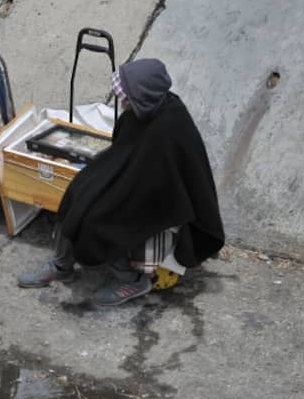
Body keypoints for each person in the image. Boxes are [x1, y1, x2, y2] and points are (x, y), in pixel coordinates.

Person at [17, 58, 225, 306]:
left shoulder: (169, 125)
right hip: (133, 181)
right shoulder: (144, 110)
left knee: (100, 220)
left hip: (162, 200)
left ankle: (132, 280)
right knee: (77, 194)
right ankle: (61, 265)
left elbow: (161, 180)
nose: (123, 102)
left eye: (127, 97)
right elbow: (123, 153)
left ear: (143, 95)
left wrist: (112, 195)